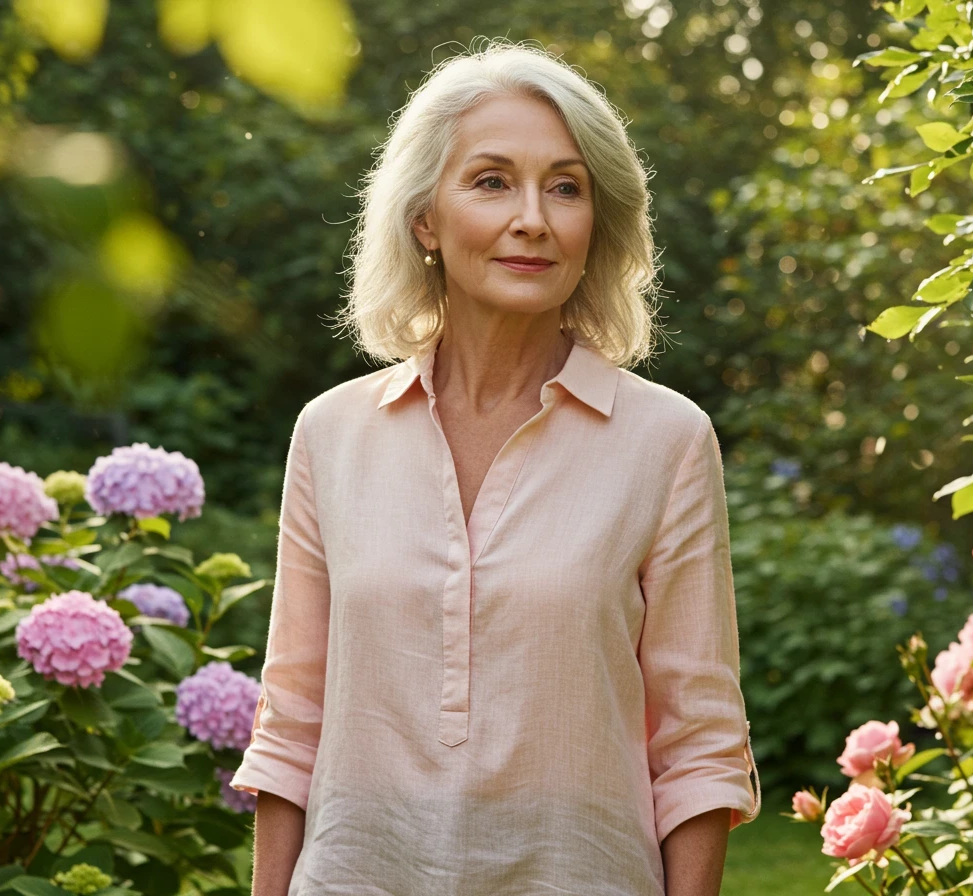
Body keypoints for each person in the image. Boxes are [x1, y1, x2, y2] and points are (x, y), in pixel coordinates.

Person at [229, 37, 760, 896]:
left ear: (597, 224)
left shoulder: (666, 441)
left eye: (566, 187)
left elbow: (699, 746)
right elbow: (291, 721)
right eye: (491, 181)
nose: (534, 219)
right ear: (424, 219)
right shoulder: (331, 434)